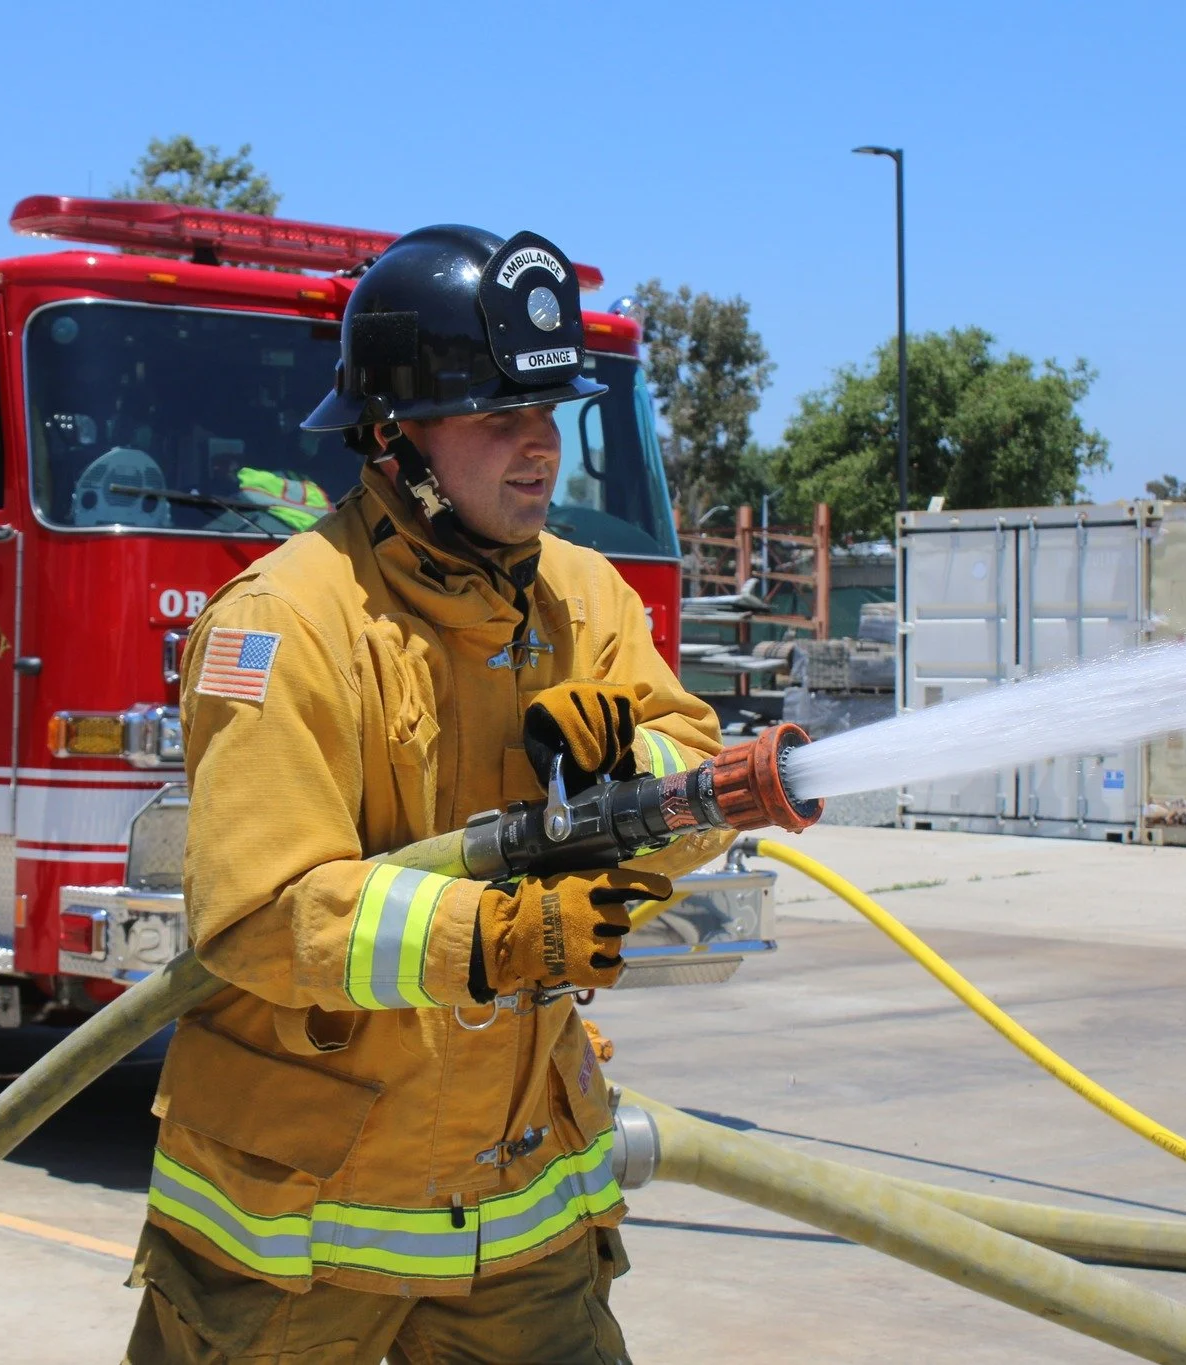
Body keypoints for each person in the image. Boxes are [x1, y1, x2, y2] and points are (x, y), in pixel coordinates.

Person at [126, 225, 735, 1363]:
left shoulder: (584, 599)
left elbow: (690, 777)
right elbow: (260, 916)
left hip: (520, 1219)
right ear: (394, 438)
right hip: (294, 1235)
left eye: (547, 415)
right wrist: (497, 937)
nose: (538, 449)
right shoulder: (285, 622)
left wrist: (624, 784)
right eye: (499, 417)